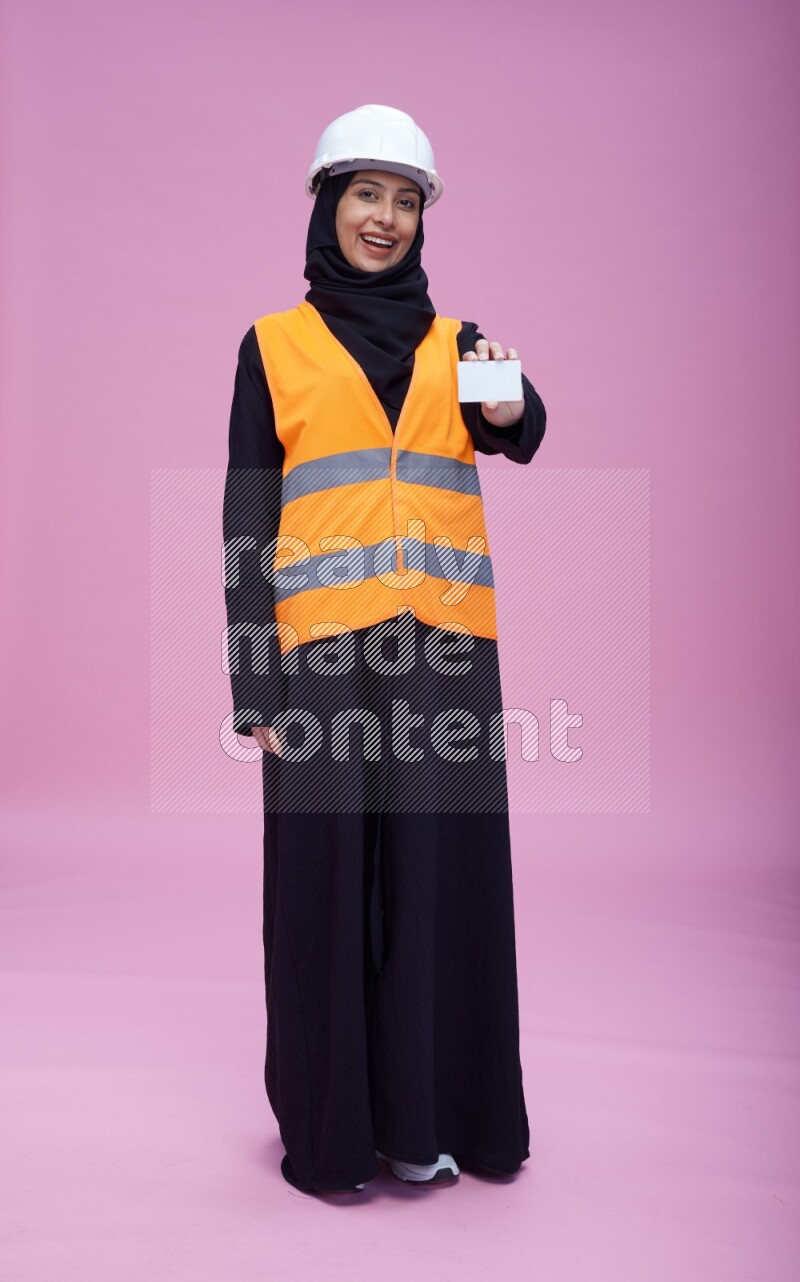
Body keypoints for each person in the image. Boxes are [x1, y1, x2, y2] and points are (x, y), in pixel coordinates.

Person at [223, 104, 547, 1195]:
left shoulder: (462, 345)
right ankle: (331, 1134)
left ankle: (431, 1123)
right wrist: (253, 685)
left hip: (444, 655)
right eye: (367, 193)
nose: (385, 217)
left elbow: (520, 432)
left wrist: (502, 400)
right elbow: (248, 520)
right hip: (318, 662)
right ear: (328, 203)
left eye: (406, 201)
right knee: (321, 891)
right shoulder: (272, 346)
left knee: (437, 883)